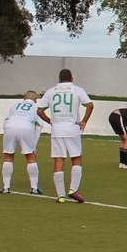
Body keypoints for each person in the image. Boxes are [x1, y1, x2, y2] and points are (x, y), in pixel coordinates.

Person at [37, 68, 93, 203]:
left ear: (59, 78)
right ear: (72, 78)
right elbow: (90, 105)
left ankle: (61, 195)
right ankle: (73, 190)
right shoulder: (77, 90)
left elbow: (39, 110)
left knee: (59, 159)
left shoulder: (51, 91)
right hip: (72, 128)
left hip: (57, 129)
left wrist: (50, 121)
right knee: (76, 158)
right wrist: (84, 121)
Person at [0, 91, 44, 195]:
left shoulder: (15, 105)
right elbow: (39, 125)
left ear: (24, 98)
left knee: (8, 156)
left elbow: (6, 120)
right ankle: (34, 188)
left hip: (10, 126)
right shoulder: (36, 107)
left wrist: (6, 131)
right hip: (26, 127)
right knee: (30, 156)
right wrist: (34, 145)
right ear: (35, 100)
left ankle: (6, 187)